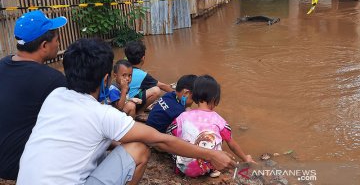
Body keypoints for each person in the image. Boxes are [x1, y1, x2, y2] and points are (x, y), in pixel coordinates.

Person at [17, 39, 236, 185]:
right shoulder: (103, 115)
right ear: (106, 79)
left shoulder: (54, 97)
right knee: (139, 148)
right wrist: (211, 154)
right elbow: (161, 141)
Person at [0, 10, 67, 180]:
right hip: (18, 165)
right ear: (44, 45)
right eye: (57, 40)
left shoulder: (2, 64)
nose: (58, 44)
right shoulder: (52, 80)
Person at [167, 75, 255, 178]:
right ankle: (212, 170)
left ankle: (179, 169)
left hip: (185, 168)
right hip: (209, 167)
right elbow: (232, 144)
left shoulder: (182, 117)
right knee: (220, 136)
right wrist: (245, 158)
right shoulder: (220, 120)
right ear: (215, 98)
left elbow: (171, 134)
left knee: (181, 136)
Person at [124, 40, 174, 111]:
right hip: (131, 103)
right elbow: (162, 86)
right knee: (156, 90)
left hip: (124, 100)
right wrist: (177, 95)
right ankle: (140, 112)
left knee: (146, 86)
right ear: (143, 58)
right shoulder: (142, 75)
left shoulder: (122, 68)